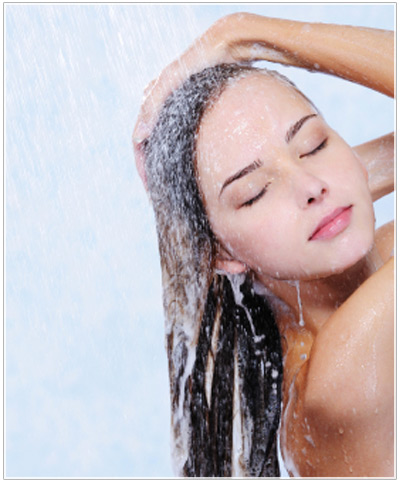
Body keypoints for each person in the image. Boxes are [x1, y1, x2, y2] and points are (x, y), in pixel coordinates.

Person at [133, 14, 394, 477]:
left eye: (314, 144)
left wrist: (347, 180)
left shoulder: (367, 278)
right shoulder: (348, 363)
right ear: (221, 254)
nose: (312, 185)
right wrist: (244, 34)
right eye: (253, 193)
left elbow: (315, 187)